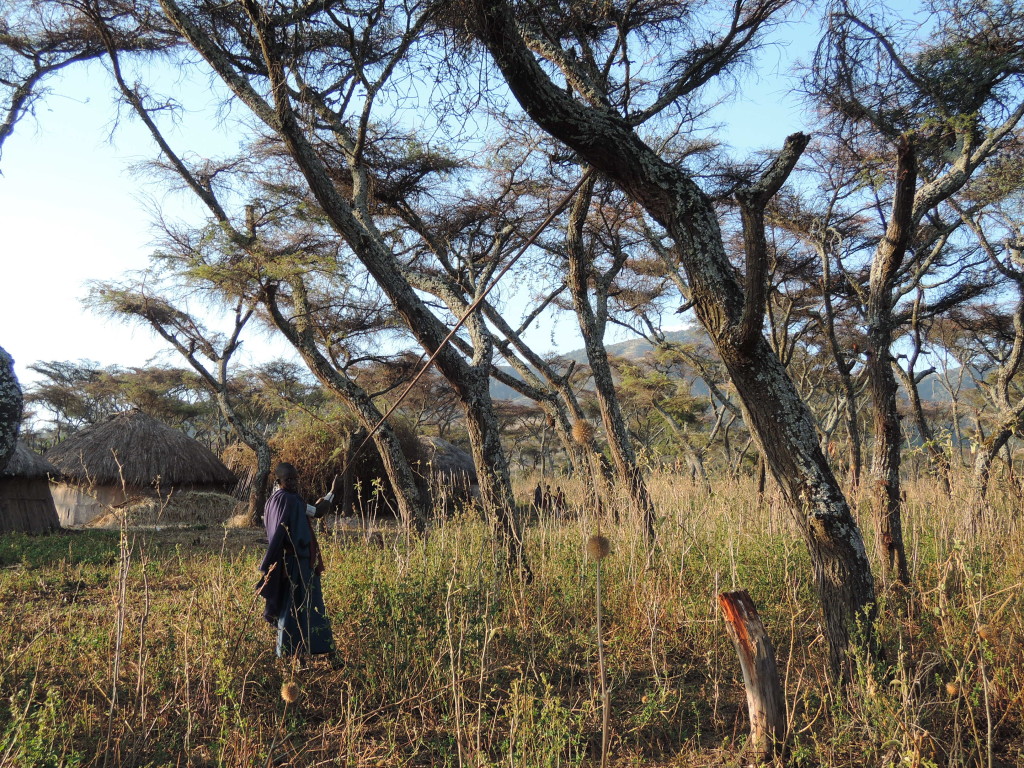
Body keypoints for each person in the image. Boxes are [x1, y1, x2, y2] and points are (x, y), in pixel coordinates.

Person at [257, 463, 338, 659]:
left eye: (295, 479)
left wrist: (321, 502)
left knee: (291, 605)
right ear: (279, 481)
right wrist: (332, 493)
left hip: (286, 561)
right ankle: (325, 653)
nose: (293, 483)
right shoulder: (291, 500)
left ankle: (293, 655)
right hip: (297, 562)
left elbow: (310, 511)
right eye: (288, 480)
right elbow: (318, 512)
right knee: (309, 604)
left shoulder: (273, 501)